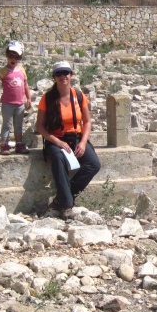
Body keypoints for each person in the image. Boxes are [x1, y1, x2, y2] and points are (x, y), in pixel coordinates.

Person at [35, 60, 101, 215]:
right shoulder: (47, 98)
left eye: (66, 73)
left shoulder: (78, 95)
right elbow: (40, 126)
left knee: (93, 164)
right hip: (56, 139)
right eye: (59, 74)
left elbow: (87, 121)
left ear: (71, 76)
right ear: (54, 77)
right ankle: (66, 205)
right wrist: (57, 142)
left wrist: (83, 142)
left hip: (76, 137)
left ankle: (63, 197)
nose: (63, 77)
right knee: (58, 159)